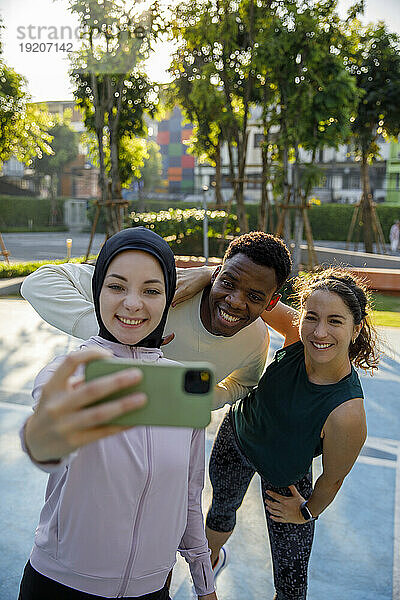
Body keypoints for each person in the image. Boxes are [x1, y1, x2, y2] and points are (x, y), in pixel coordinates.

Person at [19, 227, 217, 600]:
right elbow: (46, 442)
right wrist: (45, 434)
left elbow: (190, 496)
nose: (132, 303)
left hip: (153, 590)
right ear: (97, 292)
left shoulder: (183, 384)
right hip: (60, 587)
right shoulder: (70, 373)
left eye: (151, 290)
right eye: (116, 286)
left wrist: (205, 583)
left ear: (167, 299)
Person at [204, 267, 380, 599]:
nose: (319, 331)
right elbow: (252, 294)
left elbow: (332, 479)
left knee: (291, 584)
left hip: (286, 480)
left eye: (335, 321)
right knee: (221, 510)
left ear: (356, 329)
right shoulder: (297, 332)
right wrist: (203, 275)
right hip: (238, 437)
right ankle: (209, 563)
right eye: (311, 317)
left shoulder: (347, 413)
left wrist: (307, 511)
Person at [21, 231, 296, 411]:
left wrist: (210, 398)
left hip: (168, 438)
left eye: (255, 296)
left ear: (271, 303)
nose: (235, 301)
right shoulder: (163, 291)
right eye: (228, 282)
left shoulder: (256, 340)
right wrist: (114, 331)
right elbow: (39, 282)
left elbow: (244, 384)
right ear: (215, 274)